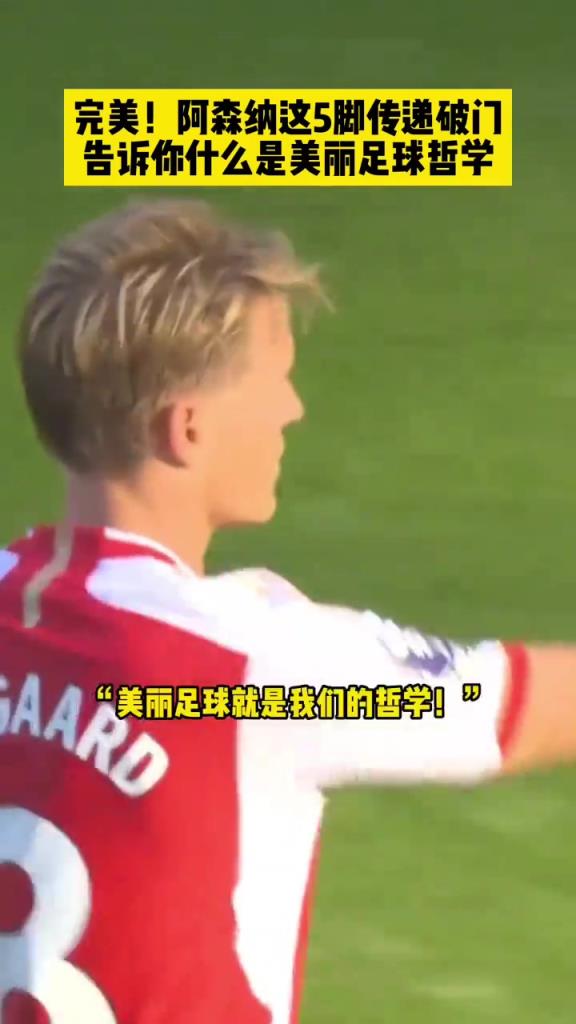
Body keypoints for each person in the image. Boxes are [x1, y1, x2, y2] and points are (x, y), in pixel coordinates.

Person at [0, 199, 573, 1024]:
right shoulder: (246, 674)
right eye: (272, 381)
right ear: (187, 429)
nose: (292, 409)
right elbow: (519, 713)